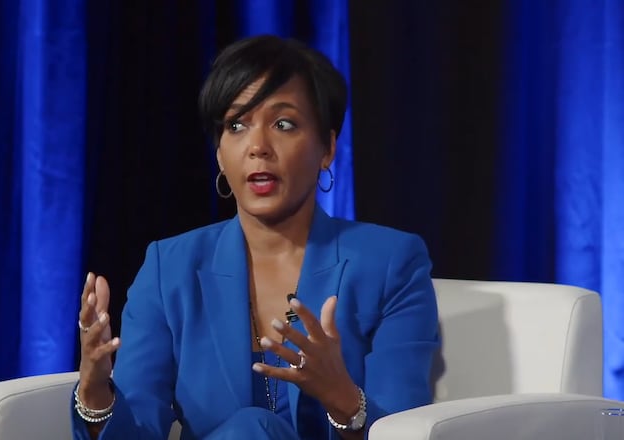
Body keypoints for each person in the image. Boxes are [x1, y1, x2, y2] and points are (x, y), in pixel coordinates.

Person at [71, 35, 439, 440]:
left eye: (284, 124)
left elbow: (402, 429)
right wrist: (95, 390)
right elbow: (137, 431)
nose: (258, 146)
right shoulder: (169, 268)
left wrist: (344, 399)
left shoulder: (391, 264)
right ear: (219, 153)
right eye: (236, 125)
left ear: (327, 149)